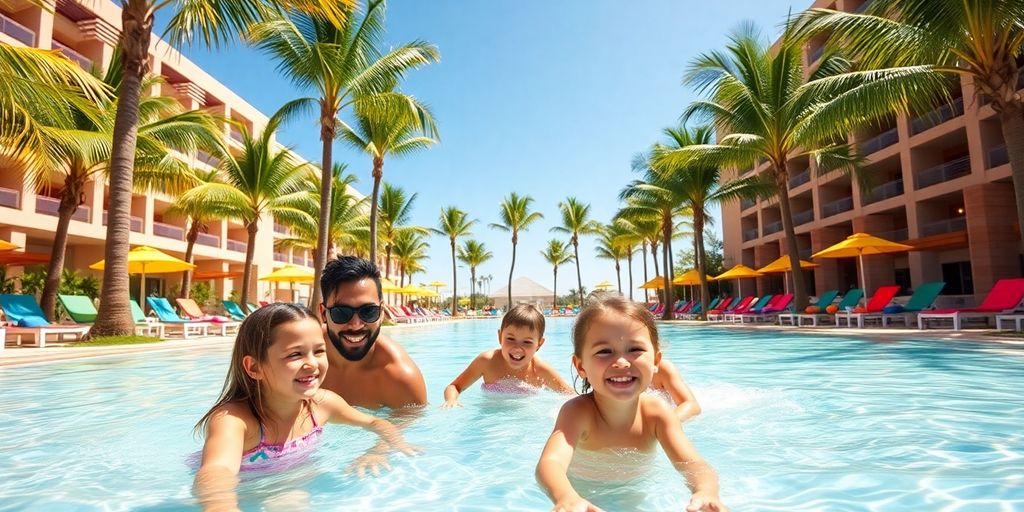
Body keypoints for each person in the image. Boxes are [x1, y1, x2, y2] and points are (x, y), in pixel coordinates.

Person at [193, 304, 416, 511]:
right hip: (249, 488)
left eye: (319, 351)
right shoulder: (234, 420)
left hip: (289, 481)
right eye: (295, 354)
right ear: (254, 367)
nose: (312, 364)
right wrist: (221, 506)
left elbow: (375, 422)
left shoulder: (322, 404)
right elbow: (217, 471)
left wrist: (378, 451)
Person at [536, 297, 726, 512]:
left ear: (655, 361)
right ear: (580, 366)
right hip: (581, 498)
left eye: (635, 349)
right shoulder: (577, 412)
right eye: (604, 351)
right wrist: (566, 497)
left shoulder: (657, 414)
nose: (622, 362)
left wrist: (705, 491)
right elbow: (550, 463)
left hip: (634, 496)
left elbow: (694, 464)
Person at [317, 256, 427, 410]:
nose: (356, 325)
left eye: (368, 311)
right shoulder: (297, 356)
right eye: (341, 312)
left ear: (382, 312)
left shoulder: (401, 379)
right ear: (323, 314)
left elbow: (406, 433)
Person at [442, 304, 573, 407]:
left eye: (527, 342)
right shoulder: (487, 362)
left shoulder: (540, 370)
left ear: (539, 344)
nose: (517, 348)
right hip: (489, 417)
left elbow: (570, 396)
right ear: (500, 337)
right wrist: (451, 400)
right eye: (510, 339)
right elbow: (454, 386)